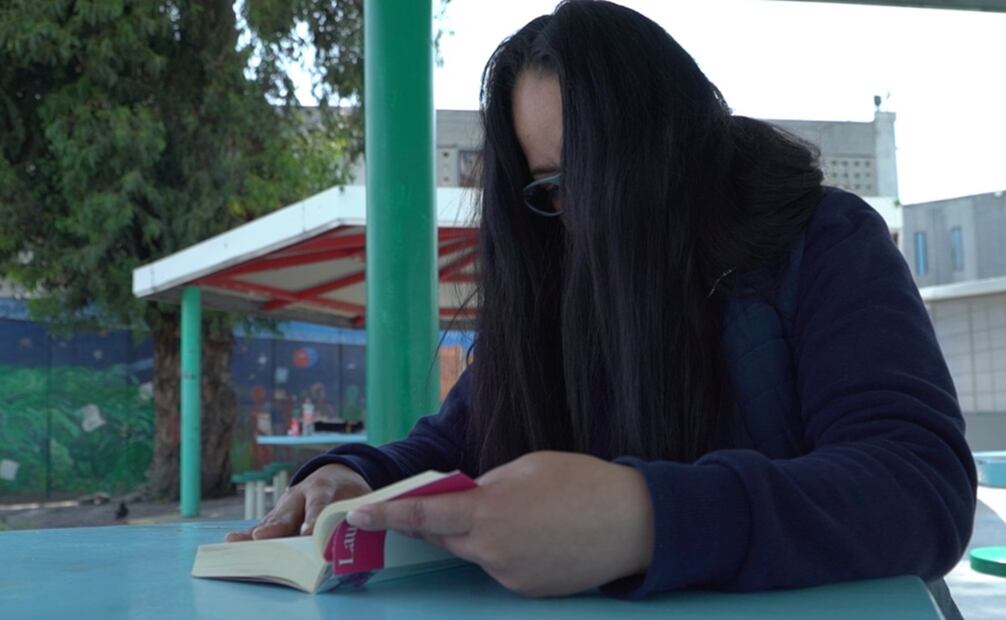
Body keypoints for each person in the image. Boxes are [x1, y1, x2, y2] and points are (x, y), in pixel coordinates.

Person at [227, 1, 976, 615]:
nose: (581, 210)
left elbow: (919, 487)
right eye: (552, 184)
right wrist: (353, 474)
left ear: (681, 141)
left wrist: (643, 518)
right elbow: (448, 446)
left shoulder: (823, 242)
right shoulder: (556, 284)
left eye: (600, 168)